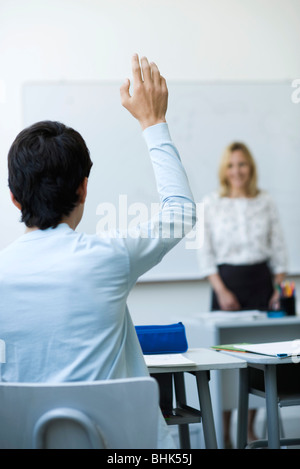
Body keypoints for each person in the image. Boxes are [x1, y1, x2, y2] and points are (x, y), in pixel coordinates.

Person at [0, 55, 196, 449]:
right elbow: (181, 212)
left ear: (15, 199)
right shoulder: (110, 257)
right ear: (84, 189)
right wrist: (152, 122)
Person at [198, 141, 287, 447]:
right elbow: (205, 255)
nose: (237, 170)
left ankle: (248, 429)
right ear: (225, 170)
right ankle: (224, 432)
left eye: (243, 164)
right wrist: (221, 290)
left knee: (257, 363)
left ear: (251, 168)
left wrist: (278, 291)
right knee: (224, 359)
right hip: (227, 284)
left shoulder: (265, 201)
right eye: (231, 165)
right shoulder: (211, 203)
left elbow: (278, 251)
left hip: (260, 283)